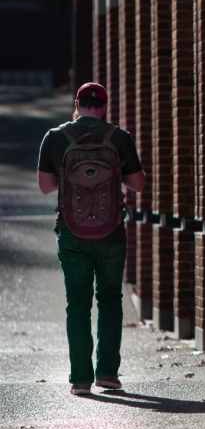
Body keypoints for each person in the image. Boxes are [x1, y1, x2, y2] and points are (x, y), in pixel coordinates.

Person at [37, 83, 146, 396]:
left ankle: (81, 379)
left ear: (77, 104)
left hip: (71, 232)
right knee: (110, 299)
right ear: (104, 107)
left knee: (78, 303)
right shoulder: (119, 138)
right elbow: (138, 185)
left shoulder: (55, 137)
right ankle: (108, 373)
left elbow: (46, 187)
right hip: (111, 232)